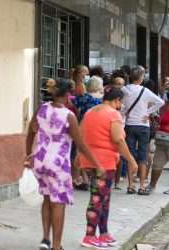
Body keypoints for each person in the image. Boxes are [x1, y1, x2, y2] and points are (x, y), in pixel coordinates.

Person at [24, 79, 100, 250]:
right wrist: (97, 164)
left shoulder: (42, 108)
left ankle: (45, 239)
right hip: (58, 163)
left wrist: (28, 155)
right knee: (58, 203)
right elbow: (81, 144)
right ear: (67, 95)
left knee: (46, 199)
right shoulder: (68, 116)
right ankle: (56, 246)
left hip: (39, 160)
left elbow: (30, 131)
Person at [79, 88, 138, 249]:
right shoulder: (113, 114)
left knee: (103, 198)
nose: (120, 106)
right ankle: (89, 235)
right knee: (97, 199)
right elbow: (118, 139)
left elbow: (81, 133)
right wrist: (131, 160)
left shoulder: (90, 112)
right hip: (104, 162)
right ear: (117, 100)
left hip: (89, 159)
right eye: (120, 103)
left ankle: (103, 233)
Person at [121, 66, 164, 195]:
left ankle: (130, 185)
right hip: (143, 126)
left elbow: (121, 107)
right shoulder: (145, 91)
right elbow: (160, 102)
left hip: (129, 125)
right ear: (141, 78)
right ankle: (142, 186)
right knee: (143, 156)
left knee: (130, 155)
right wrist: (147, 113)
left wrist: (124, 114)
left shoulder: (124, 89)